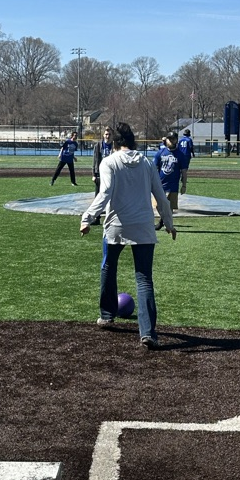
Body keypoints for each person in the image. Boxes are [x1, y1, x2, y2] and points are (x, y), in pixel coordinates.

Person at [80, 122, 176, 349]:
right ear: (133, 141)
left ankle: (106, 315)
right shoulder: (146, 163)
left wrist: (87, 218)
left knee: (108, 267)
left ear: (114, 142)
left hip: (116, 226)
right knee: (144, 279)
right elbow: (160, 196)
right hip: (143, 227)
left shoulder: (109, 162)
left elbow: (104, 194)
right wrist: (169, 223)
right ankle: (148, 333)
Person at [153, 132, 180, 229]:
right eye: (169, 139)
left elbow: (184, 170)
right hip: (160, 184)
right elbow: (154, 167)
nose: (171, 140)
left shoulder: (180, 154)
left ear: (176, 140)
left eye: (173, 138)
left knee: (170, 206)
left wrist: (184, 184)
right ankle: (164, 220)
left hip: (173, 185)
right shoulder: (160, 152)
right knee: (157, 205)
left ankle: (164, 223)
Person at [91, 125, 114, 224]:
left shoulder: (115, 146)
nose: (107, 136)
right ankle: (97, 218)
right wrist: (94, 174)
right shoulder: (98, 146)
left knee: (112, 196)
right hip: (100, 173)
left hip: (112, 173)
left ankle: (111, 218)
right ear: (103, 135)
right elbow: (95, 160)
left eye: (109, 134)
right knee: (98, 196)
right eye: (106, 134)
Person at [176, 128, 195, 194]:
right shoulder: (189, 140)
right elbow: (191, 147)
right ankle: (183, 178)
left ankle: (180, 177)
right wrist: (193, 153)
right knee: (185, 168)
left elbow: (178, 147)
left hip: (180, 154)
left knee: (179, 167)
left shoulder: (180, 140)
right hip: (186, 155)